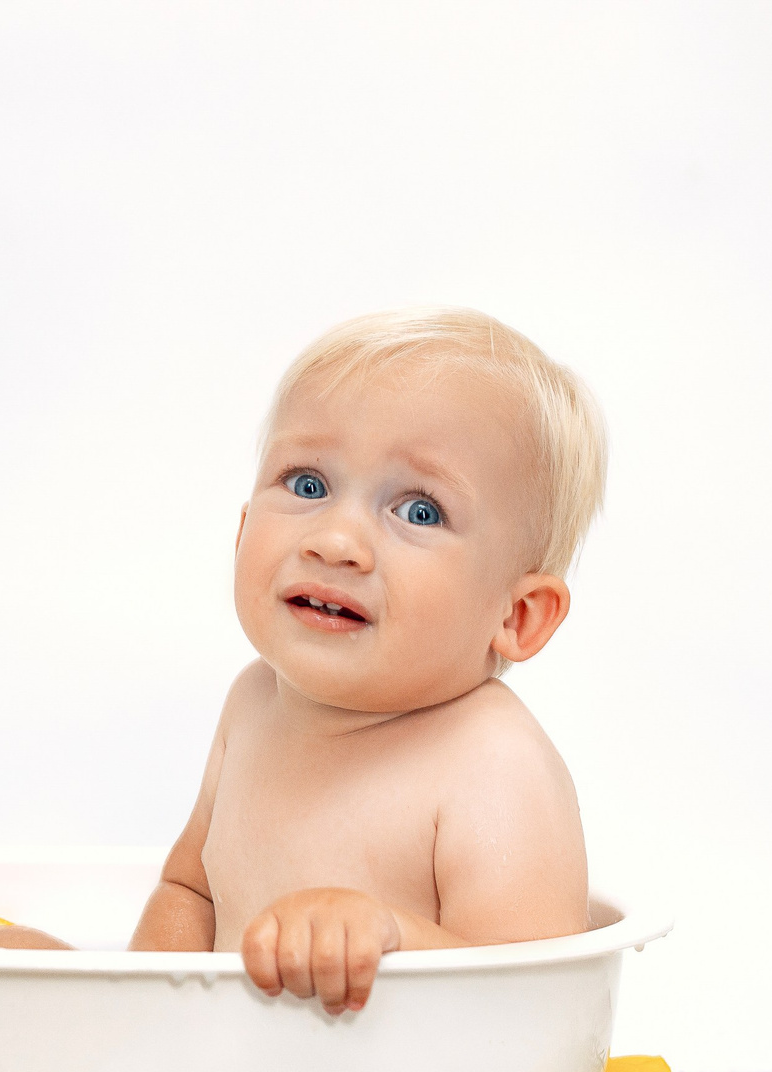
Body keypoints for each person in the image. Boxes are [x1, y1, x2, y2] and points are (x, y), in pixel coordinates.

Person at [118, 306, 606, 1013]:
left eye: (418, 511)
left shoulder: (491, 763)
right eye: (308, 484)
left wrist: (389, 934)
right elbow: (190, 891)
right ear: (242, 528)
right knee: (2, 961)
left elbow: (533, 1003)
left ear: (517, 615)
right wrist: (121, 1015)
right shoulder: (254, 702)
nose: (336, 539)